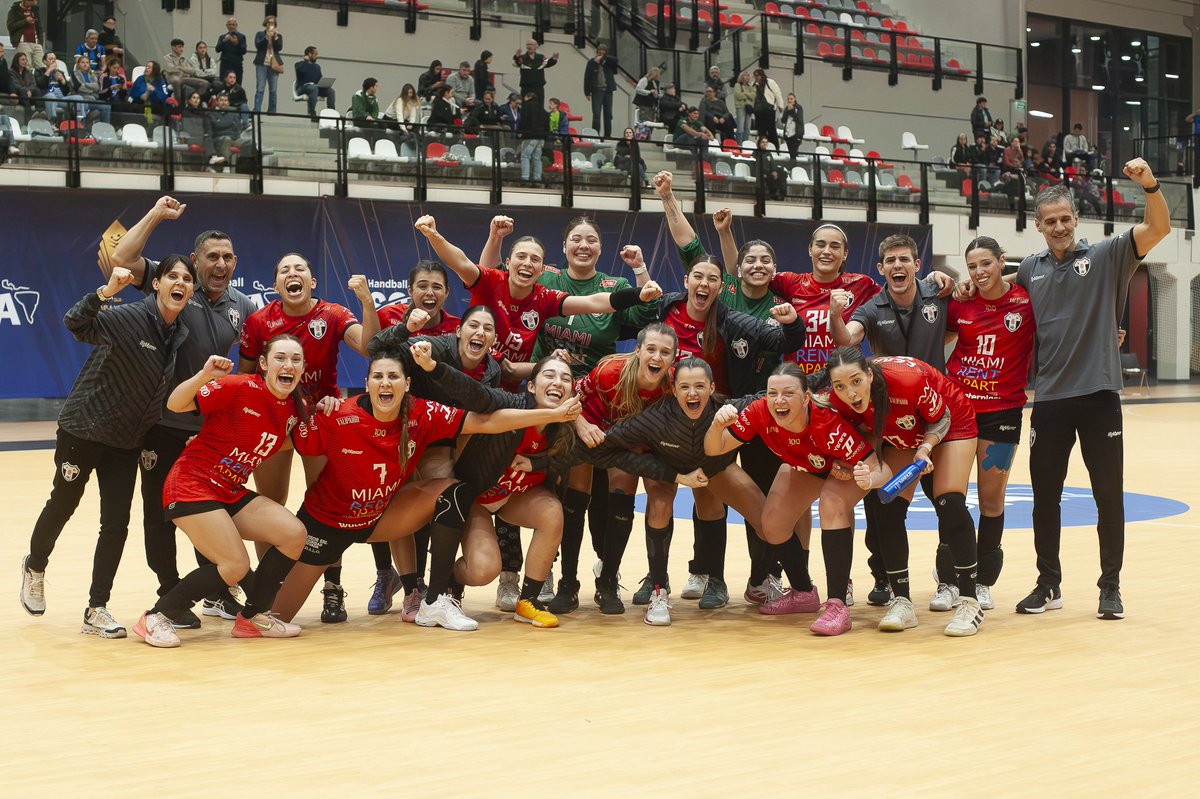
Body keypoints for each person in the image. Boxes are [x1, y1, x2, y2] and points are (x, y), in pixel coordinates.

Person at [270, 346, 583, 629]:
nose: (386, 383)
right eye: (378, 376)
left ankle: (440, 599)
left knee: (467, 494)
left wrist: (550, 438)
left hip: (385, 517)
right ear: (366, 384)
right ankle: (228, 588)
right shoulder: (340, 413)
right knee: (271, 615)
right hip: (331, 523)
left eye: (394, 376)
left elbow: (488, 423)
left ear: (407, 385)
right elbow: (291, 439)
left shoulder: (422, 413)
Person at [419, 352, 690, 626]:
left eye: (565, 379)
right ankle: (451, 580)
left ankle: (528, 601)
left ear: (572, 393)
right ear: (532, 386)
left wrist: (677, 474)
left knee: (552, 511)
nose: (557, 383)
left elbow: (619, 459)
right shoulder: (509, 403)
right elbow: (472, 391)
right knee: (483, 570)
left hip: (515, 497)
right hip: (477, 497)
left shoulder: (568, 433)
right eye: (549, 375)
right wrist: (432, 367)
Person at [1007, 163, 1169, 620]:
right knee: (1044, 498)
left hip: (1099, 396)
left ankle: (1110, 587)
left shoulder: (1107, 255)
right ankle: (1048, 584)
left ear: (1076, 218)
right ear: (1038, 226)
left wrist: (1148, 184)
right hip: (1050, 401)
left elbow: (1159, 226)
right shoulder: (1028, 272)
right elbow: (1003, 311)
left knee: (1107, 496)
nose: (1058, 227)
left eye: (1065, 218)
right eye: (1049, 221)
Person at [20, 259, 195, 637]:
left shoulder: (177, 331)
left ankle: (96, 609)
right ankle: (35, 565)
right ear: (157, 284)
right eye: (172, 276)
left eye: (186, 279)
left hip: (127, 441)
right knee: (63, 504)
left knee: (116, 525)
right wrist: (105, 293)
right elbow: (75, 323)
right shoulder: (130, 316)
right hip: (84, 428)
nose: (180, 282)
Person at [105, 196, 257, 628]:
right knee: (160, 514)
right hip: (162, 426)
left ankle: (214, 592)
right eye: (212, 256)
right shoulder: (176, 284)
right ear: (195, 260)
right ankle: (169, 594)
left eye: (228, 257)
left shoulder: (243, 307)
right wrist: (156, 214)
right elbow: (121, 256)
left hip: (210, 434)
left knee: (209, 513)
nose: (220, 264)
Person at [130, 337, 309, 648]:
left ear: (303, 368)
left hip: (229, 489)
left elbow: (282, 441)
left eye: (296, 360)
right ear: (264, 364)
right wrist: (204, 375)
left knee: (294, 533)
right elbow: (175, 404)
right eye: (280, 358)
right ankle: (156, 616)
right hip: (192, 483)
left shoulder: (295, 408)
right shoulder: (238, 386)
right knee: (235, 565)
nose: (288, 365)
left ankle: (252, 618)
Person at [236, 253, 379, 621]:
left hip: (320, 420)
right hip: (275, 423)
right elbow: (247, 376)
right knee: (269, 502)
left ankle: (333, 588)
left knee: (327, 507)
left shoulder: (331, 314)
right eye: (284, 269)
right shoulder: (258, 321)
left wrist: (366, 302)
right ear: (276, 284)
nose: (293, 273)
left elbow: (368, 346)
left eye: (300, 269)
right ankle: (265, 590)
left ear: (312, 282)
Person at [704, 363, 887, 635]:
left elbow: (877, 466)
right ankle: (803, 593)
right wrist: (717, 425)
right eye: (772, 393)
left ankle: (838, 606)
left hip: (849, 464)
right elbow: (714, 448)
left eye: (788, 393)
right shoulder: (759, 412)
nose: (779, 400)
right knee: (772, 525)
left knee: (831, 504)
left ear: (806, 398)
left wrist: (864, 478)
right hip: (807, 465)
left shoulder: (828, 423)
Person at [830, 233, 957, 604]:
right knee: (880, 502)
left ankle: (948, 579)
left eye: (905, 259)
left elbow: (963, 318)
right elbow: (846, 342)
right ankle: (883, 578)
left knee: (945, 502)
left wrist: (954, 282)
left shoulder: (939, 295)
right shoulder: (871, 309)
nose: (898, 266)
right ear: (881, 268)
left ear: (918, 265)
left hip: (935, 415)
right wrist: (836, 315)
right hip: (889, 420)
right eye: (891, 261)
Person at [823, 348, 984, 637]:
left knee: (949, 503)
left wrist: (925, 447)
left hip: (949, 424)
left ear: (870, 374)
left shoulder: (908, 381)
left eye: (856, 381)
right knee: (886, 505)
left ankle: (970, 601)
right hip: (899, 432)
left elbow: (941, 417)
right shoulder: (836, 399)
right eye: (840, 386)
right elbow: (864, 433)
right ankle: (902, 602)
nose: (851, 393)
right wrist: (863, 472)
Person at [597, 357, 772, 620]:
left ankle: (734, 581)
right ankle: (658, 587)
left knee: (763, 517)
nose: (692, 393)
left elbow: (769, 396)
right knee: (658, 503)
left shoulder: (722, 407)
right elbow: (604, 445)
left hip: (710, 465)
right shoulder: (650, 412)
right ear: (673, 387)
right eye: (685, 387)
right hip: (665, 462)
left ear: (711, 387)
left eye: (700, 386)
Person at [413, 214, 662, 374]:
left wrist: (638, 292)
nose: (527, 264)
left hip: (528, 383)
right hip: (476, 372)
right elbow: (461, 262)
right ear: (508, 263)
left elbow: (595, 301)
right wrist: (434, 236)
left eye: (535, 260)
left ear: (541, 268)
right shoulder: (493, 280)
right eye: (521, 257)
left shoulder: (545, 297)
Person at [549, 323, 678, 613]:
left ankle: (607, 582)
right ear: (637, 351)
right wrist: (581, 426)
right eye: (651, 349)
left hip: (625, 440)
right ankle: (567, 583)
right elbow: (571, 396)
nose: (657, 357)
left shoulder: (671, 387)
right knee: (576, 496)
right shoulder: (609, 371)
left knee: (623, 494)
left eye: (665, 352)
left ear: (673, 358)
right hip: (590, 428)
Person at [944, 237, 1036, 611]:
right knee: (950, 497)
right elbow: (942, 336)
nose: (979, 273)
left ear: (1001, 262)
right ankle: (948, 579)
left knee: (991, 498)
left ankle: (982, 582)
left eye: (986, 264)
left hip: (1003, 412)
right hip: (960, 410)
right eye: (972, 267)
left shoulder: (1027, 302)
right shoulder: (960, 304)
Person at [378, 260, 460, 334]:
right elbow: (366, 348)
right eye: (422, 286)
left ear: (446, 292)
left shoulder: (458, 328)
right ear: (410, 291)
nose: (430, 293)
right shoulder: (387, 315)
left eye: (437, 287)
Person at [179, 90, 225, 167]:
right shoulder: (185, 112)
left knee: (216, 140)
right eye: (194, 98)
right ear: (189, 100)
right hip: (190, 137)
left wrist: (208, 134)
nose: (196, 100)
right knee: (207, 140)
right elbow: (186, 128)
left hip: (202, 137)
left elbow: (208, 127)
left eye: (198, 98)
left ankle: (216, 166)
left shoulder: (204, 113)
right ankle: (212, 158)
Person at [583, 43, 618, 138]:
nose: (601, 53)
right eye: (600, 51)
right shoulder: (591, 62)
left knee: (608, 114)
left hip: (608, 91)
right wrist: (587, 92)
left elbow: (615, 60)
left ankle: (607, 135)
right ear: (597, 51)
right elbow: (587, 77)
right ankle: (595, 135)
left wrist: (603, 58)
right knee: (596, 114)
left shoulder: (609, 62)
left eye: (604, 51)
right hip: (596, 91)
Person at [513, 38, 558, 107]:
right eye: (528, 44)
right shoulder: (522, 57)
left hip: (539, 88)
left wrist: (554, 58)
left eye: (531, 44)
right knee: (526, 107)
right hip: (526, 88)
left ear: (536, 46)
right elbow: (515, 63)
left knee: (539, 107)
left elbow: (548, 63)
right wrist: (516, 56)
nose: (529, 46)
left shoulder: (541, 57)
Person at [252, 14, 283, 114]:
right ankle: (257, 110)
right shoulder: (259, 34)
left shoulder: (279, 36)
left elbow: (279, 48)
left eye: (272, 23)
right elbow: (258, 45)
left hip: (273, 64)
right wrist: (266, 37)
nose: (270, 24)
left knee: (273, 89)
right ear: (265, 24)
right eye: (269, 23)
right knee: (260, 88)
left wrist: (275, 37)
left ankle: (272, 111)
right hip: (261, 63)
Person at [294, 45, 335, 119]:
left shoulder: (317, 66)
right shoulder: (299, 64)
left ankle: (331, 113)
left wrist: (324, 83)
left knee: (331, 91)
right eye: (315, 54)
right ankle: (311, 113)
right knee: (313, 88)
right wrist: (305, 61)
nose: (317, 56)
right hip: (302, 88)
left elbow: (319, 78)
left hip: (315, 87)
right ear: (309, 54)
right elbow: (300, 71)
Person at [516, 91, 548, 182]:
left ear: (528, 97)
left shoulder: (527, 107)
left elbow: (524, 120)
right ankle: (537, 179)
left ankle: (525, 178)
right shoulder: (542, 109)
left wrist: (520, 131)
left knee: (525, 156)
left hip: (530, 136)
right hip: (541, 137)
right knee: (537, 158)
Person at [71, 56, 109, 124]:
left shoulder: (92, 74)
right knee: (84, 106)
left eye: (87, 62)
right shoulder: (74, 74)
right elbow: (78, 88)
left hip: (92, 99)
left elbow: (97, 86)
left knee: (107, 106)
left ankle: (105, 128)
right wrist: (91, 91)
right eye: (82, 62)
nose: (85, 64)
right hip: (82, 99)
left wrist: (85, 84)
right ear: (78, 64)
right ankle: (82, 128)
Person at [751, 68, 783, 147]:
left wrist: (780, 106)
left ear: (762, 75)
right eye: (755, 76)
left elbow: (777, 94)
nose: (757, 77)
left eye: (758, 75)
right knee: (761, 132)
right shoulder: (753, 84)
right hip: (758, 111)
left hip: (769, 110)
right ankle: (762, 148)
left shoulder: (770, 82)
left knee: (771, 131)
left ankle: (775, 148)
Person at [7, 0, 44, 69]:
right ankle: (28, 79)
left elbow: (39, 26)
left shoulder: (35, 9)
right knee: (27, 66)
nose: (34, 3)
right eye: (32, 1)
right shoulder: (15, 10)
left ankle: (39, 79)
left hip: (36, 42)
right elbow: (10, 26)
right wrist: (25, 21)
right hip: (23, 42)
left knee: (41, 66)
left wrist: (40, 42)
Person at [215, 16, 248, 86]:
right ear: (227, 26)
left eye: (233, 24)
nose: (231, 26)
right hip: (225, 64)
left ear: (236, 25)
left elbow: (244, 51)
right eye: (229, 24)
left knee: (237, 85)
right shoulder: (222, 37)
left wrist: (236, 44)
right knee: (223, 85)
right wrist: (224, 41)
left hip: (237, 64)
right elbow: (217, 49)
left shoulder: (241, 37)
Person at [756, 135, 789, 201]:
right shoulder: (756, 153)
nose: (765, 144)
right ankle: (773, 195)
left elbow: (772, 163)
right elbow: (756, 165)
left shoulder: (768, 153)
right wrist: (763, 173)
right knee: (770, 177)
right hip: (762, 172)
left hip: (770, 171)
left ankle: (782, 195)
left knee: (783, 173)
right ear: (759, 144)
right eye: (762, 142)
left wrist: (774, 171)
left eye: (766, 142)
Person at [781, 93, 803, 162]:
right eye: (788, 99)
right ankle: (792, 165)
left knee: (794, 153)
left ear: (795, 99)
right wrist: (787, 111)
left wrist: (792, 110)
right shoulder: (786, 108)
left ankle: (794, 167)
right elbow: (783, 120)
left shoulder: (799, 107)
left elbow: (799, 119)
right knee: (791, 153)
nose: (789, 101)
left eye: (791, 99)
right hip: (788, 133)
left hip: (796, 134)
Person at [733, 71, 754, 139]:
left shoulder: (750, 86)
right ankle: (739, 144)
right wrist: (748, 95)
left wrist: (745, 94)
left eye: (748, 75)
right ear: (741, 76)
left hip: (749, 108)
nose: (747, 77)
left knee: (747, 128)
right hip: (741, 107)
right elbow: (738, 95)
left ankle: (745, 143)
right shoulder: (737, 85)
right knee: (740, 128)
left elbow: (753, 96)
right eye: (745, 75)